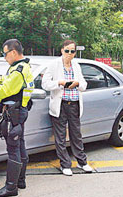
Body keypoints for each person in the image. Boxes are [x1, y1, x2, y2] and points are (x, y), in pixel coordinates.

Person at [0, 39, 34, 197]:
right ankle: (20, 180)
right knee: (20, 145)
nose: (4, 57)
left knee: (13, 149)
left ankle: (11, 188)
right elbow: (8, 81)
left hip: (14, 113)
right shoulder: (21, 67)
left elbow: (4, 90)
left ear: (13, 52)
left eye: (5, 54)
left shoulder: (18, 70)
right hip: (19, 111)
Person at [42, 40, 93, 176]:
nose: (69, 54)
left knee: (76, 135)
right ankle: (65, 164)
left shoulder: (76, 65)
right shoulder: (54, 65)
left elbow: (84, 84)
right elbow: (45, 84)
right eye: (67, 51)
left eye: (72, 51)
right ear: (62, 50)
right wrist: (60, 83)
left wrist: (77, 84)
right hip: (60, 104)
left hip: (74, 103)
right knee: (60, 136)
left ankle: (82, 162)